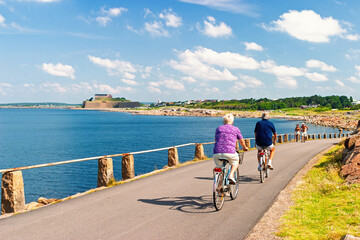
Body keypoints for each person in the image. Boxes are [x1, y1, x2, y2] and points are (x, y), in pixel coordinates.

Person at [213, 113, 249, 184]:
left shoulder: (218, 128)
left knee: (220, 169)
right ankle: (231, 175)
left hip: (217, 152)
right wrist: (245, 147)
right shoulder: (235, 129)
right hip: (230, 152)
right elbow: (241, 141)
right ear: (232, 121)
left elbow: (215, 139)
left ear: (223, 121)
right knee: (236, 162)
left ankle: (219, 188)